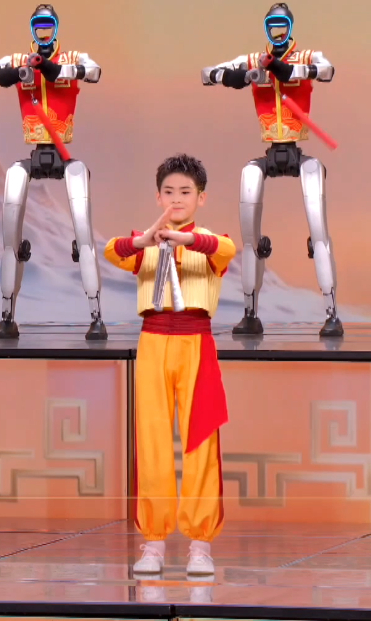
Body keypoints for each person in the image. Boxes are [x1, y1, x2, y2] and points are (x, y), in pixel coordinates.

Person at [103, 154, 234, 577]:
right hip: (154, 342)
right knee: (153, 441)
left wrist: (186, 240)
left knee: (201, 442)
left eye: (186, 192)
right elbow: (111, 251)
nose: (177, 199)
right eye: (169, 192)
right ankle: (154, 542)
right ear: (157, 196)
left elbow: (225, 250)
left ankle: (200, 544)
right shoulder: (144, 242)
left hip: (196, 343)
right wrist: (146, 240)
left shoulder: (211, 241)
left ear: (201, 198)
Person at [201, 2, 342, 338]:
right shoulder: (254, 60)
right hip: (268, 150)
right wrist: (238, 77)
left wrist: (288, 70)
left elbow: (327, 70)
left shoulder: (306, 56)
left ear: (290, 27)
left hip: (298, 149)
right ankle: (250, 312)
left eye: (282, 25)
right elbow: (208, 73)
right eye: (272, 25)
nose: (277, 32)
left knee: (319, 232)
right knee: (250, 233)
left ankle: (331, 312)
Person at [0, 4, 107, 340]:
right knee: (9, 237)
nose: (43, 32)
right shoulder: (18, 60)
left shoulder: (72, 56)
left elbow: (93, 71)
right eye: (38, 25)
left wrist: (53, 68)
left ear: (55, 27)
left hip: (64, 152)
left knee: (84, 235)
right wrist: (11, 74)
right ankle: (6, 315)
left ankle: (96, 315)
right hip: (32, 151)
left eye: (48, 25)